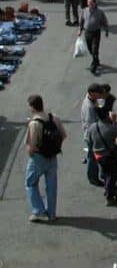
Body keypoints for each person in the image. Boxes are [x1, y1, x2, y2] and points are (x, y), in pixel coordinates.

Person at [25, 94, 66, 222]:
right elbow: (63, 135)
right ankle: (52, 214)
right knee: (51, 186)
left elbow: (31, 145)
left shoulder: (34, 123)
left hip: (38, 158)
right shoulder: (54, 118)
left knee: (30, 183)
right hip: (53, 157)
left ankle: (38, 210)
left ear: (32, 107)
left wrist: (31, 153)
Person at [86, 108, 117, 205]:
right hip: (108, 155)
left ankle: (107, 188)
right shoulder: (111, 127)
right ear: (107, 116)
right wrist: (114, 122)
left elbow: (89, 140)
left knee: (105, 173)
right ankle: (109, 196)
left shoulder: (93, 127)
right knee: (111, 175)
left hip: (98, 155)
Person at [81, 83, 105, 186]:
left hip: (90, 132)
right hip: (91, 135)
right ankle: (93, 178)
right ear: (91, 93)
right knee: (93, 157)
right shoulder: (89, 107)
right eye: (97, 95)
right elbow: (92, 125)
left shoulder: (89, 98)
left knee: (92, 155)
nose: (99, 97)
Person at [78, 0, 109, 75]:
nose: (90, 4)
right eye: (89, 3)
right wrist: (80, 30)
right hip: (87, 32)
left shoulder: (100, 12)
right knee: (90, 49)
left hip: (96, 33)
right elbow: (81, 21)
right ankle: (96, 60)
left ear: (95, 3)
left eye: (91, 3)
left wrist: (106, 30)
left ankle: (93, 67)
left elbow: (104, 22)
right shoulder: (84, 11)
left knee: (95, 49)